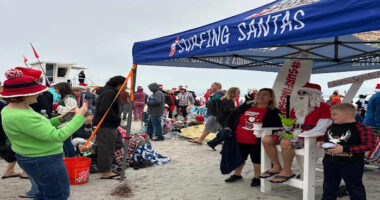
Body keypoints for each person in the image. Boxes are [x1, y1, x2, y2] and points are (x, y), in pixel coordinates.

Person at [0, 67, 86, 199]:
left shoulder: (11, 110)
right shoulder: (23, 115)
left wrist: (64, 117)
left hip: (32, 157)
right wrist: (80, 117)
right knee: (57, 194)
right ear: (23, 95)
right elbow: (57, 136)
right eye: (36, 91)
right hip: (45, 160)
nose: (40, 94)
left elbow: (40, 127)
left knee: (43, 193)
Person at [260, 82, 332, 183]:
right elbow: (289, 128)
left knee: (285, 142)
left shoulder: (324, 108)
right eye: (299, 93)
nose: (301, 95)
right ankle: (277, 166)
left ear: (314, 94)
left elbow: (322, 129)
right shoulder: (296, 109)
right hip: (293, 135)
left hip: (312, 138)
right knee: (266, 139)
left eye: (304, 92)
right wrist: (286, 124)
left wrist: (300, 135)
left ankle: (287, 170)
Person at [222, 88, 282, 187]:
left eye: (264, 95)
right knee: (239, 157)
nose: (260, 97)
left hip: (257, 140)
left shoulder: (274, 111)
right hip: (239, 137)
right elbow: (232, 116)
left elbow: (278, 127)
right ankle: (237, 174)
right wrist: (227, 126)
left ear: (271, 97)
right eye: (259, 94)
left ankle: (257, 177)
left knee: (257, 159)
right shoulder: (246, 105)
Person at [317, 103, 376, 200]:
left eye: (335, 114)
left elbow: (370, 145)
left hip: (352, 164)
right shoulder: (331, 127)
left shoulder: (361, 128)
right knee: (328, 189)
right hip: (329, 162)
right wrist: (322, 143)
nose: (331, 117)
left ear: (347, 114)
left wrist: (345, 149)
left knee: (355, 189)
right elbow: (328, 140)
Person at [92, 75, 125, 179]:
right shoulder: (109, 92)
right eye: (125, 85)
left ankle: (106, 164)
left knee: (117, 143)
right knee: (106, 147)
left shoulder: (110, 92)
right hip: (106, 124)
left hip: (110, 124)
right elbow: (106, 109)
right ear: (119, 84)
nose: (126, 87)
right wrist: (117, 119)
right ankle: (105, 172)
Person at [54, 83, 78, 158]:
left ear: (61, 89)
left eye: (56, 88)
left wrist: (57, 107)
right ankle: (69, 157)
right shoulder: (65, 98)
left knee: (67, 142)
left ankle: (71, 157)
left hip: (67, 123)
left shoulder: (69, 98)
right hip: (64, 122)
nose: (55, 90)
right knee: (64, 142)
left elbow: (70, 111)